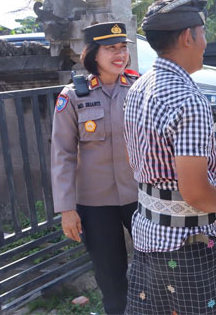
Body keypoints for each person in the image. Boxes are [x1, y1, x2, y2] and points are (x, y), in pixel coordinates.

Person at [122, 0, 216, 315]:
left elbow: (136, 160)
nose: (205, 42)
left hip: (148, 236)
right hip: (188, 247)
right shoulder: (188, 100)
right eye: (203, 32)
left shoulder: (138, 87)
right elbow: (196, 193)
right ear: (188, 37)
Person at [51, 22, 139, 314]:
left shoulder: (139, 88)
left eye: (123, 47)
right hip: (95, 204)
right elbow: (62, 154)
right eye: (111, 48)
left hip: (140, 197)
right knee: (111, 279)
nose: (120, 54)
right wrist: (67, 209)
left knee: (158, 267)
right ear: (93, 54)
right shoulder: (72, 96)